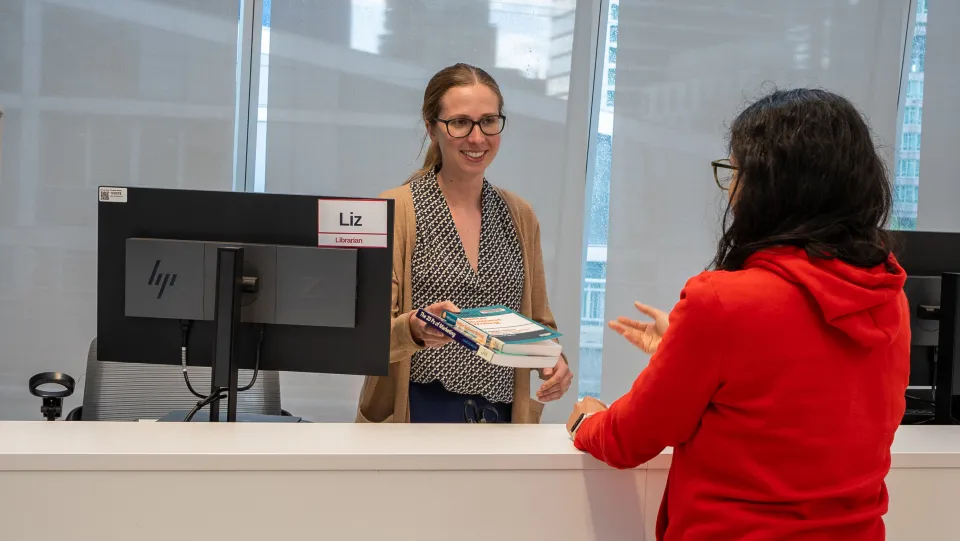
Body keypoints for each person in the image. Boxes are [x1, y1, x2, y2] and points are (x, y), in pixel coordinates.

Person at [567, 89, 910, 540]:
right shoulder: (889, 296)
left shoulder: (722, 302)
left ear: (772, 186)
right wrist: (683, 349)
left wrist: (587, 421)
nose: (731, 189)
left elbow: (632, 437)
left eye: (736, 171)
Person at [356, 63, 573, 424]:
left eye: (488, 121)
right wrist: (412, 327)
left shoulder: (519, 214)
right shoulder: (396, 210)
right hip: (419, 413)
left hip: (501, 419)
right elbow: (366, 331)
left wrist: (554, 361)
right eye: (460, 123)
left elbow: (536, 321)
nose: (477, 138)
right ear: (431, 129)